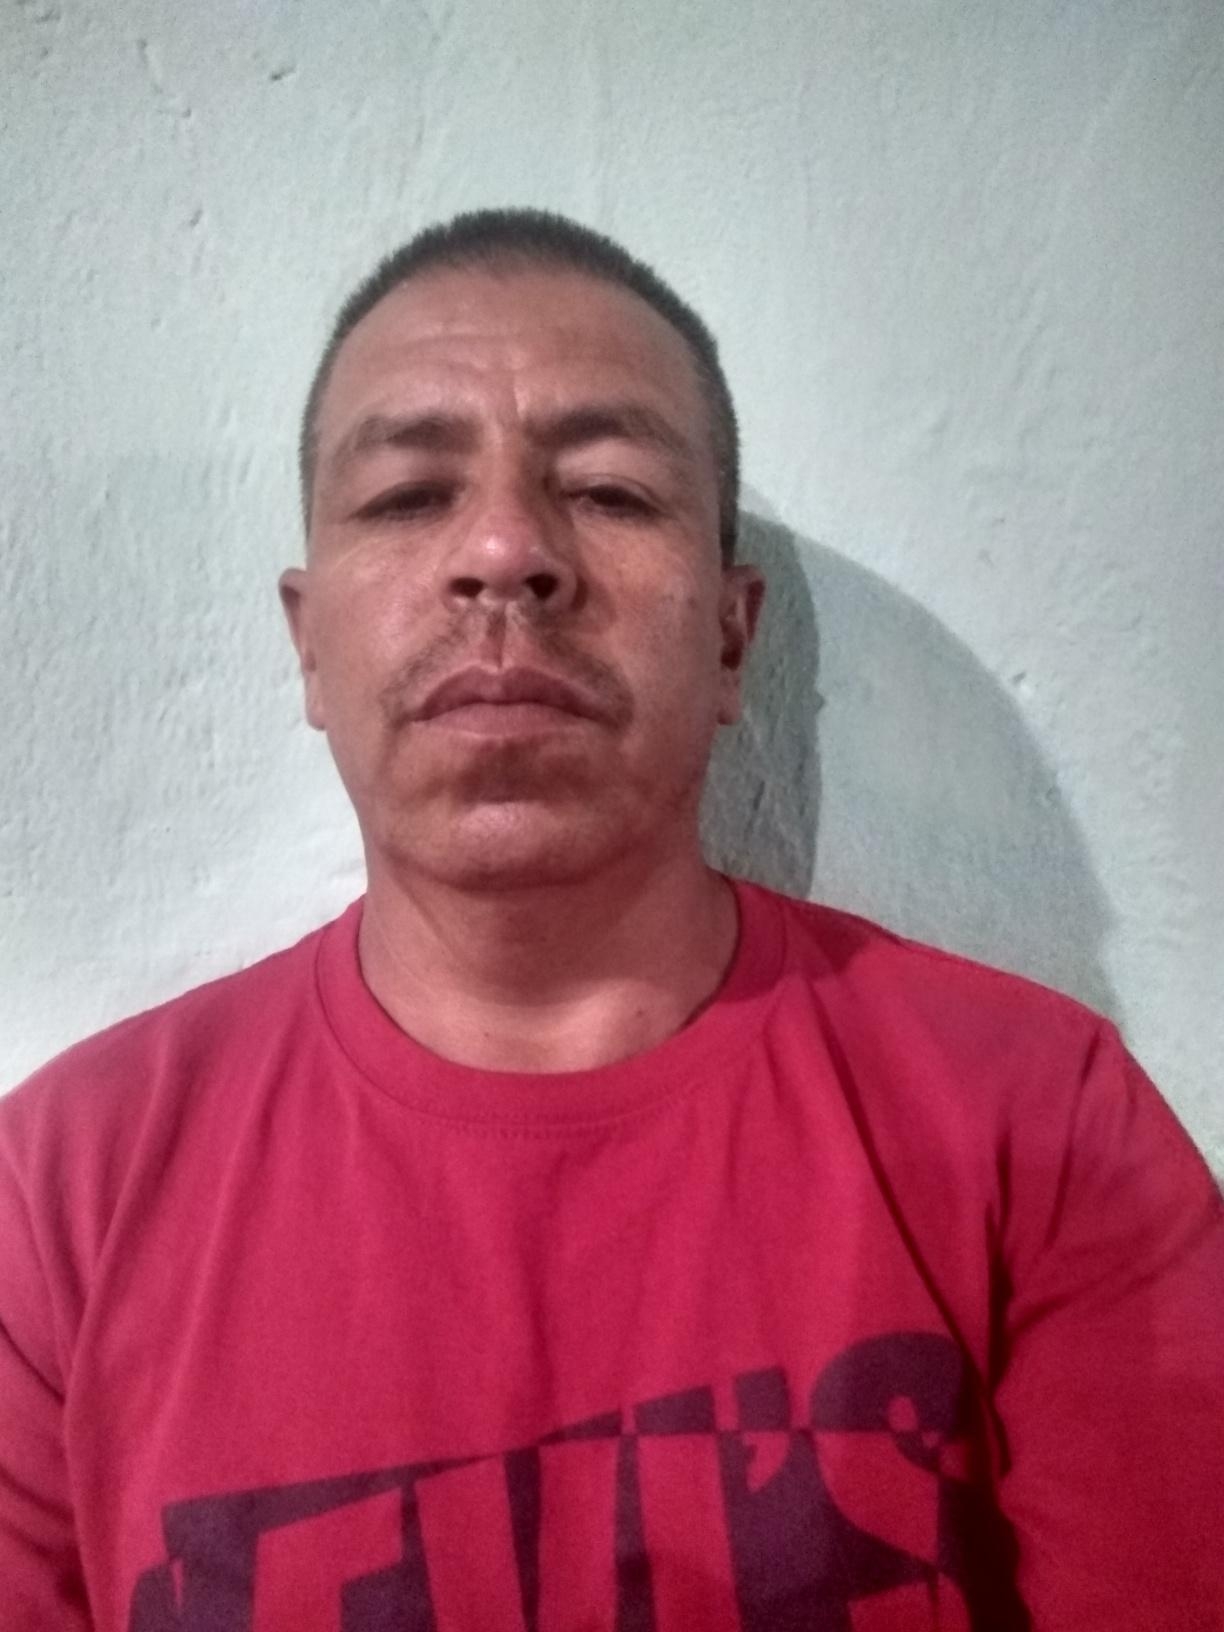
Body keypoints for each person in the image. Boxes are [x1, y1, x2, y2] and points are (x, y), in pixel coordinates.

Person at [1, 208, 1220, 1632]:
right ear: (309, 644)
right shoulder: (58, 1197)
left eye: (611, 492)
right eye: (409, 495)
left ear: (731, 637)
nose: (505, 550)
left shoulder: (1042, 1123)